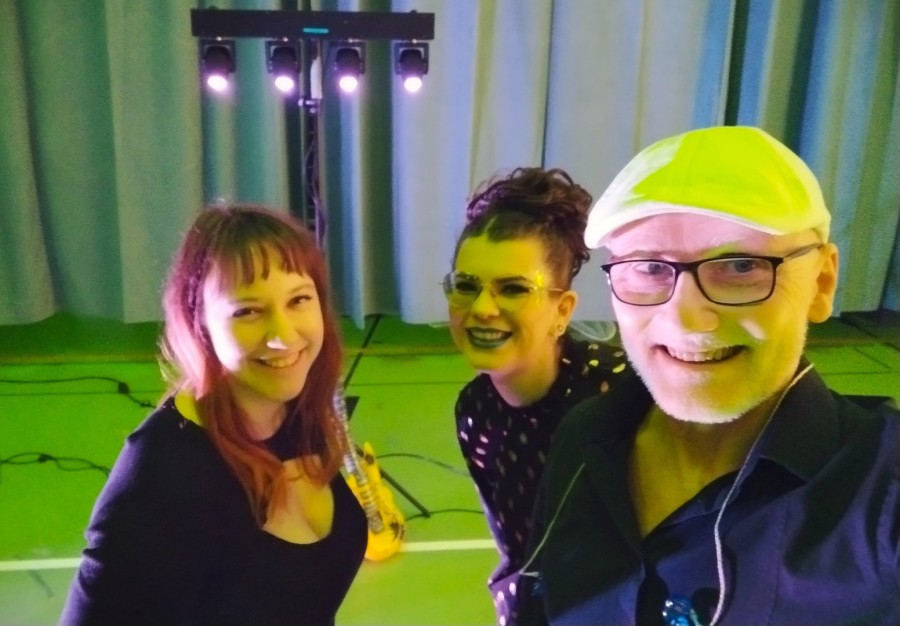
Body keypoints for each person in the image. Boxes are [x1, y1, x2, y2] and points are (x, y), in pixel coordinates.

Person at [515, 126, 900, 625]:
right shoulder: (585, 437)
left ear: (821, 283)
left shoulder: (882, 495)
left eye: (740, 266)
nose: (687, 319)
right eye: (649, 268)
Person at [61, 205, 366, 626]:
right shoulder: (162, 475)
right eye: (248, 311)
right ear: (198, 322)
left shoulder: (295, 409)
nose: (284, 336)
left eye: (298, 300)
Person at [444, 167, 630, 625]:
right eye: (466, 286)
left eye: (513, 289)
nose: (482, 308)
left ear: (561, 311)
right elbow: (517, 548)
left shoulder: (620, 397)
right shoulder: (475, 412)